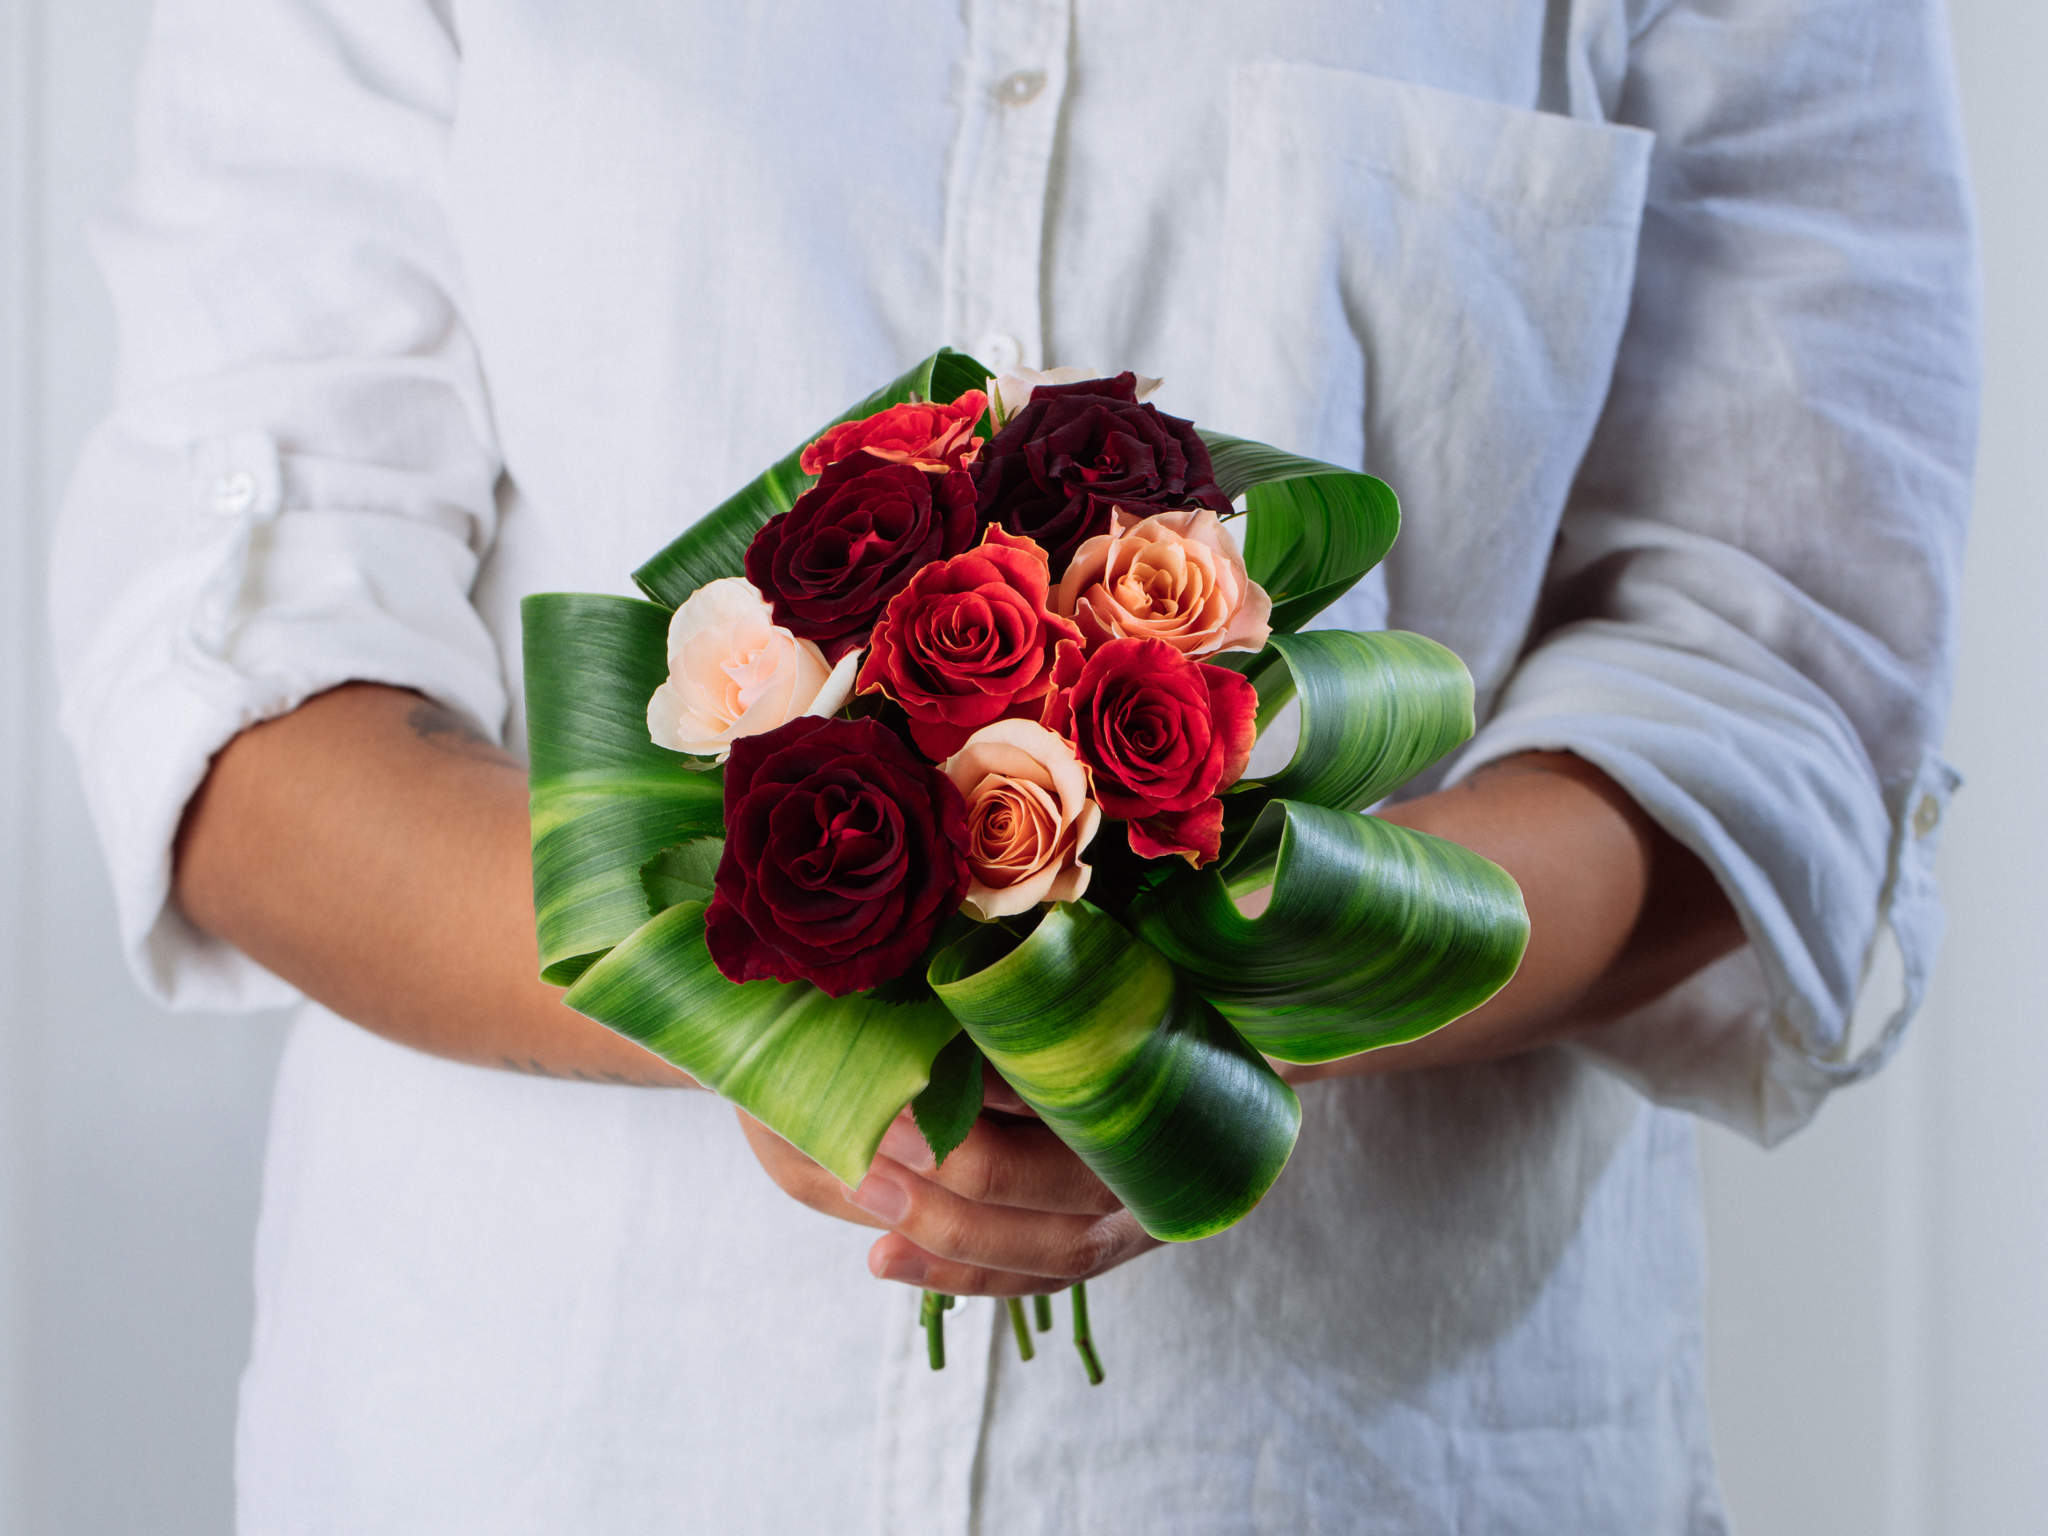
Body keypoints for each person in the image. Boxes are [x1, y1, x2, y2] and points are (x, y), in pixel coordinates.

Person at [50, 1, 1975, 1531]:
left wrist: (1191, 1027)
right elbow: (238, 688)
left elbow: (1774, 672)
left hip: (1382, 1470)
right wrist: (819, 1012)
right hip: (546, 1451)